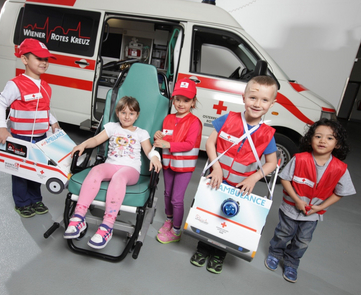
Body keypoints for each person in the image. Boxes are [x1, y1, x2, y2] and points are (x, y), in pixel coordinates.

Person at [190, 75, 279, 274]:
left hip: (240, 188)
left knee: (229, 222)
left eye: (264, 100)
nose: (257, 104)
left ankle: (219, 255)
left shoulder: (267, 134)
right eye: (253, 98)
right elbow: (210, 143)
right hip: (216, 180)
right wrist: (217, 168)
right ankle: (202, 249)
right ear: (243, 97)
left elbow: (272, 163)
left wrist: (254, 177)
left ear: (272, 103)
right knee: (209, 215)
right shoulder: (227, 119)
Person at [63, 96, 162, 250]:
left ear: (137, 115)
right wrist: (83, 145)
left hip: (130, 170)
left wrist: (155, 157)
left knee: (119, 177)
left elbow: (149, 151)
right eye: (123, 112)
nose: (127, 117)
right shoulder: (112, 127)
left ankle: (107, 225)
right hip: (111, 164)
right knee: (95, 170)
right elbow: (96, 140)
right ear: (117, 113)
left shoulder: (141, 133)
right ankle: (78, 217)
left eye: (131, 113)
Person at [265, 118, 356, 283]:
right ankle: (275, 253)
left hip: (313, 214)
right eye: (318, 136)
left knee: (302, 241)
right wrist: (297, 200)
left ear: (337, 144)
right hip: (291, 209)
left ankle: (292, 262)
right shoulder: (300, 159)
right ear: (310, 139)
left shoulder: (340, 168)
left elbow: (341, 192)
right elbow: (285, 179)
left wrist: (320, 207)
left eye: (330, 138)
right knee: (283, 234)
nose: (323, 141)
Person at [0, 38, 60, 218]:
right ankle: (22, 203)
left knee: (36, 170)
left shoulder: (46, 86)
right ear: (24, 59)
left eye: (46, 59)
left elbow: (43, 109)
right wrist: (1, 127)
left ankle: (35, 199)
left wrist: (53, 121)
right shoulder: (16, 84)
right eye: (39, 58)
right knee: (20, 170)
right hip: (20, 138)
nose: (44, 63)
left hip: (40, 138)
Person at [153, 78, 202, 244]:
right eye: (178, 99)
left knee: (176, 199)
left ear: (193, 102)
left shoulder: (195, 122)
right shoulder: (168, 118)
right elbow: (166, 136)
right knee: (167, 194)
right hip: (168, 164)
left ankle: (176, 230)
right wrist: (159, 136)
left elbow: (188, 144)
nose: (181, 104)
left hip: (184, 168)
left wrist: (167, 143)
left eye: (186, 100)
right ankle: (169, 219)